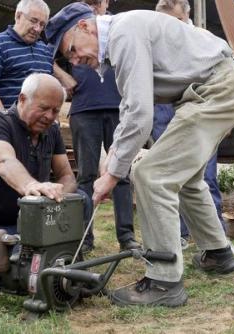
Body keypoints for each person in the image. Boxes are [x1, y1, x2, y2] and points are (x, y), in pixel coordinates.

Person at [46, 3, 234, 307]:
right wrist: (115, 154)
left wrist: (113, 174)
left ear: (86, 26)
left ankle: (164, 281)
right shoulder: (121, 40)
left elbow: (140, 115)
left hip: (215, 90)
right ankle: (218, 254)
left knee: (151, 175)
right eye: (69, 58)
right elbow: (130, 108)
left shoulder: (124, 34)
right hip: (215, 90)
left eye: (73, 50)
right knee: (188, 180)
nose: (75, 60)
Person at [153, 0, 234, 254]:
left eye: (176, 21)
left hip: (201, 108)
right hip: (165, 111)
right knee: (168, 174)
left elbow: (228, 79)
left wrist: (225, 122)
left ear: (187, 14)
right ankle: (178, 235)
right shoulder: (158, 40)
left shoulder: (205, 38)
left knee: (207, 176)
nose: (171, 27)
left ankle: (219, 240)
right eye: (165, 22)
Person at [0, 73, 81, 252]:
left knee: (60, 256)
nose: (49, 116)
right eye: (43, 108)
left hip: (29, 222)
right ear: (23, 99)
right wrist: (31, 185)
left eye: (55, 111)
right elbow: (4, 161)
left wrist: (57, 194)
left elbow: (66, 176)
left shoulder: (52, 130)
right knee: (28, 262)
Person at [61, 0, 140, 253]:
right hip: (84, 109)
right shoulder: (70, 31)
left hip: (118, 107)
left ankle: (126, 237)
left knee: (122, 174)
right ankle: (85, 238)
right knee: (85, 175)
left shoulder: (119, 27)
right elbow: (41, 51)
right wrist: (64, 76)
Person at [0, 0, 53, 112]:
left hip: (43, 125)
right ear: (18, 16)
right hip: (13, 124)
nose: (37, 29)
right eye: (33, 21)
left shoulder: (45, 50)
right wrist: (5, 121)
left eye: (42, 24)